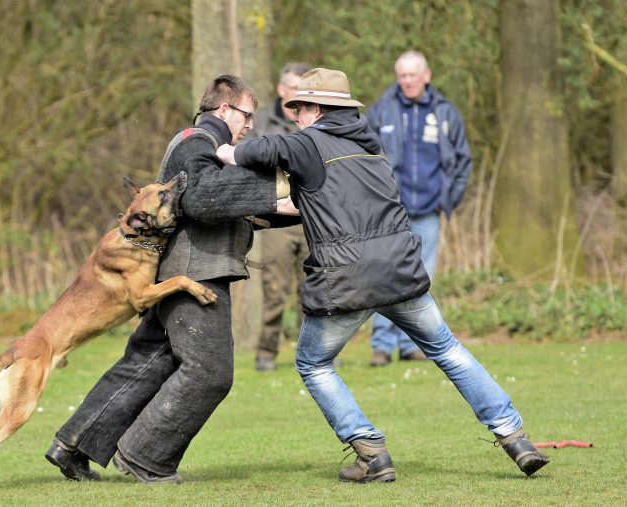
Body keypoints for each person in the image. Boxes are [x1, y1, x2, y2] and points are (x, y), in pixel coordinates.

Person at [217, 68, 549, 483]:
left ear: (317, 108)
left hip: (347, 278)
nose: (296, 115)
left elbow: (260, 150)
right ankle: (516, 437)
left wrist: (220, 151)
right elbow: (323, 204)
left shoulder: (309, 142)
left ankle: (371, 452)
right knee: (447, 350)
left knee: (313, 363)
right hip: (400, 271)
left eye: (299, 108)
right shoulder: (371, 148)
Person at [44, 75, 284, 484]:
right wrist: (272, 189)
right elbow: (204, 199)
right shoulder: (198, 141)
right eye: (246, 115)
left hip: (172, 269)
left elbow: (212, 202)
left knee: (147, 362)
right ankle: (144, 457)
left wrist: (280, 207)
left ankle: (74, 444)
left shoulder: (199, 143)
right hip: (195, 273)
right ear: (223, 109)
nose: (249, 125)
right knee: (209, 372)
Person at [365, 50, 472, 367]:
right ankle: (382, 346)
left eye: (413, 75)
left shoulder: (445, 113)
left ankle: (412, 345)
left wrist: (447, 199)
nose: (408, 81)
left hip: (428, 211)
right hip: (388, 211)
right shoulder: (381, 110)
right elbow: (365, 158)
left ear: (426, 76)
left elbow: (462, 161)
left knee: (420, 281)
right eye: (403, 75)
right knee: (385, 276)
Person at [250, 62, 311, 371]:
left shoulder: (315, 120)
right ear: (280, 89)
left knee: (313, 288)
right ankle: (266, 353)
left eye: (301, 91)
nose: (295, 97)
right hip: (277, 219)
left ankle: (311, 353)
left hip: (312, 218)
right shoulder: (262, 123)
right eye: (291, 89)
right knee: (275, 289)